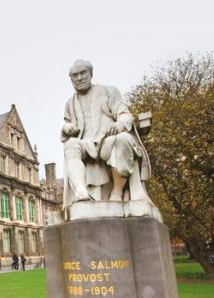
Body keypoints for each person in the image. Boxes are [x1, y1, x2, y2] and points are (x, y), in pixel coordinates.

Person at [61, 59, 151, 208]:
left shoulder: (109, 91)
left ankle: (117, 191)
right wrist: (66, 128)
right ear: (71, 79)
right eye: (74, 75)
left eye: (83, 73)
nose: (79, 78)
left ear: (91, 74)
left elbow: (125, 115)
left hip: (108, 139)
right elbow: (68, 126)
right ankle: (81, 193)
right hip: (87, 144)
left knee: (123, 139)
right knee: (70, 145)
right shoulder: (70, 103)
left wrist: (119, 125)